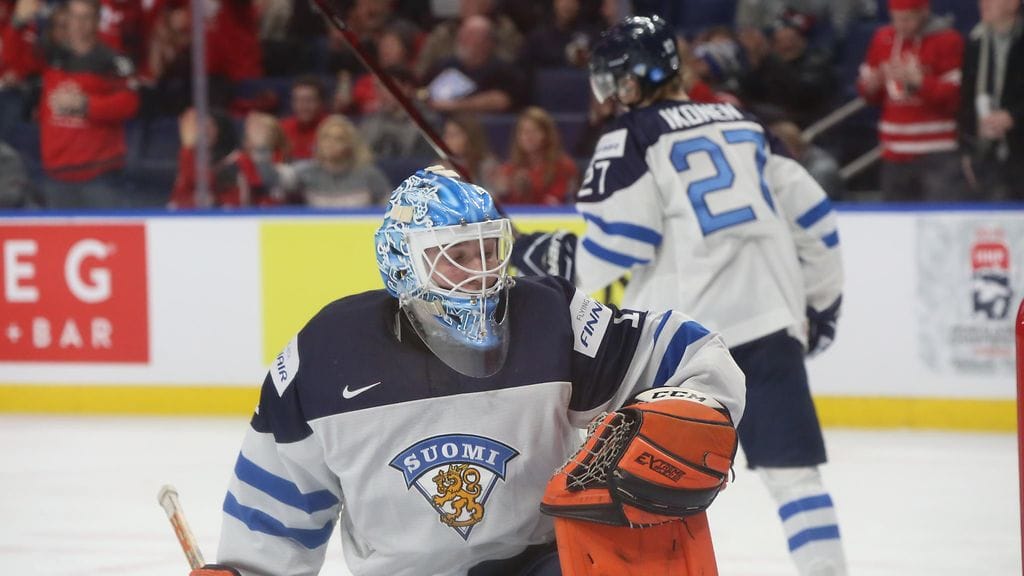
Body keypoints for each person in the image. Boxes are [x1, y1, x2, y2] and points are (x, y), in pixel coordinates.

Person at [188, 166, 746, 576]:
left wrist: (697, 407)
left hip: (542, 564)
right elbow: (277, 502)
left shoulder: (547, 313)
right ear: (402, 260)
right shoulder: (325, 351)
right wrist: (244, 571)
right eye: (455, 255)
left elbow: (688, 353)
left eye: (487, 250)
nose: (479, 273)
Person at [511, 16, 848, 576]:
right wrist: (821, 304)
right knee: (797, 481)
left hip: (676, 347)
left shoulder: (631, 136)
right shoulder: (744, 122)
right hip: (767, 324)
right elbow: (815, 218)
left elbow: (621, 245)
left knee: (641, 485)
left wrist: (539, 255)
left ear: (631, 79)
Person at [857, 0, 965, 201]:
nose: (900, 26)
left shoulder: (948, 40)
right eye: (895, 19)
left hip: (937, 153)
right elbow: (868, 94)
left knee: (937, 222)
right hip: (893, 153)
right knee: (895, 223)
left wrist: (919, 83)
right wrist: (873, 84)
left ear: (924, 12)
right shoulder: (883, 38)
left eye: (907, 19)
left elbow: (955, 97)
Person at [38, 0, 139, 208]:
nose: (79, 23)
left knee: (108, 236)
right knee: (58, 239)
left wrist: (87, 105)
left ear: (97, 20)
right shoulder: (51, 55)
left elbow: (129, 103)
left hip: (98, 174)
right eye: (74, 16)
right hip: (56, 172)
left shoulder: (113, 61)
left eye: (86, 17)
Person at [958, 0, 1024, 200]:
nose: (983, 3)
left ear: (1013, 4)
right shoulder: (975, 41)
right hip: (987, 154)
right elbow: (966, 99)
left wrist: (1014, 117)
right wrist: (968, 149)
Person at [286, 114, 391, 207]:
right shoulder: (306, 173)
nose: (330, 143)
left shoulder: (369, 175)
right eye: (326, 137)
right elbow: (276, 181)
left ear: (350, 145)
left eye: (338, 139)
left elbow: (394, 209)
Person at [494, 106, 579, 205]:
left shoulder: (564, 167)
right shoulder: (508, 170)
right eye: (523, 132)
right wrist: (502, 193)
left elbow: (556, 205)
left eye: (534, 131)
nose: (528, 137)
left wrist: (530, 190)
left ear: (547, 135)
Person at [280, 75, 328, 160]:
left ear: (321, 103)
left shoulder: (333, 129)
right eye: (298, 100)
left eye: (309, 100)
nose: (303, 106)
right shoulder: (283, 128)